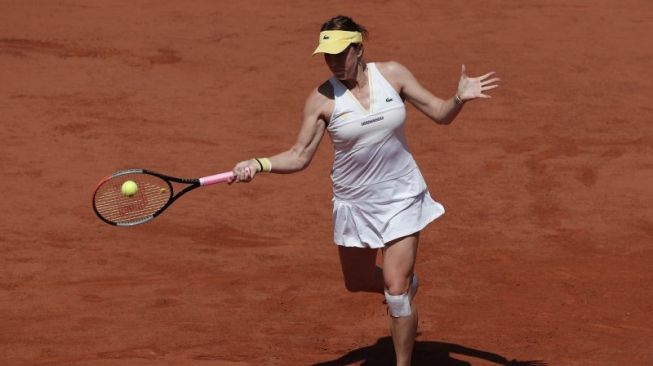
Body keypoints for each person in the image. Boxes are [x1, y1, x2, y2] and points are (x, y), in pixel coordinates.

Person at [230, 15, 499, 366]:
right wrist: (258, 163)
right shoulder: (321, 100)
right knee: (356, 281)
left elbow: (440, 113)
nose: (334, 61)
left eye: (341, 52)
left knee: (397, 292)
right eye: (328, 55)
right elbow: (299, 156)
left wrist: (459, 98)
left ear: (359, 48)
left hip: (401, 196)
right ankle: (404, 282)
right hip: (354, 204)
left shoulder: (393, 75)